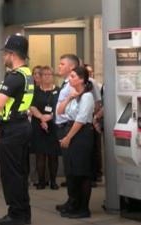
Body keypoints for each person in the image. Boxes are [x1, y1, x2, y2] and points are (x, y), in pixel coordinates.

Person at [0, 35, 33, 225]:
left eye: (6, 53)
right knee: (19, 172)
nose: (4, 56)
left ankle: (17, 215)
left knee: (11, 173)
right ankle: (22, 211)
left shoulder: (14, 77)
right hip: (22, 126)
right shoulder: (27, 74)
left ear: (12, 54)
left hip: (12, 130)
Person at [57, 66, 95, 218]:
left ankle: (84, 208)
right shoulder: (75, 95)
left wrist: (68, 137)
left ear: (81, 79)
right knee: (72, 171)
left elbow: (80, 120)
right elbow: (60, 111)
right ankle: (74, 204)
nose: (70, 79)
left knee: (82, 172)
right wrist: (69, 97)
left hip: (81, 134)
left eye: (73, 76)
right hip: (72, 131)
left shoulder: (87, 96)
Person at [54, 54, 80, 214]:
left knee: (74, 167)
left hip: (69, 126)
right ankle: (71, 200)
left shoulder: (75, 84)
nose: (59, 67)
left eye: (62, 64)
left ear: (71, 67)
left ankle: (75, 203)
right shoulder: (65, 84)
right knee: (69, 168)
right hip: (62, 125)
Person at [29, 66, 60, 190]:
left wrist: (50, 117)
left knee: (53, 155)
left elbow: (61, 106)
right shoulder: (34, 91)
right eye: (44, 75)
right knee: (40, 154)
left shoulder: (59, 90)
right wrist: (42, 117)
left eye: (50, 74)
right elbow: (32, 106)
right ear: (40, 77)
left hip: (54, 125)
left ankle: (53, 181)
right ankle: (41, 182)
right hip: (38, 125)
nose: (47, 77)